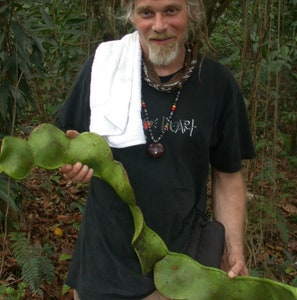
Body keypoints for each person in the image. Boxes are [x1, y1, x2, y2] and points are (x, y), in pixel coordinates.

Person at [56, 0, 255, 299]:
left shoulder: (217, 84)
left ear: (192, 12)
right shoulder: (104, 69)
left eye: (171, 11)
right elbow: (66, 147)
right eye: (147, 13)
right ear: (132, 17)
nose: (159, 25)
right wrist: (72, 161)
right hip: (104, 264)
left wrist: (234, 249)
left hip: (182, 269)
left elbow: (227, 177)